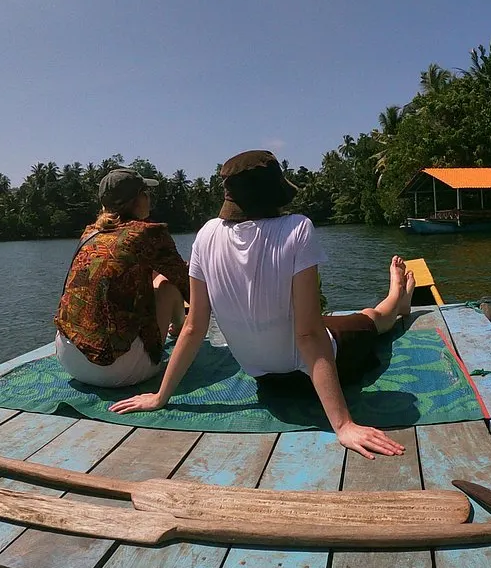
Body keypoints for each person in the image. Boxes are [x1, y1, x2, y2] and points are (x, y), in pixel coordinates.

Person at [111, 150, 414, 459]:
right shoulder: (297, 229)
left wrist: (161, 396)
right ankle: (397, 300)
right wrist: (343, 424)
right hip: (306, 371)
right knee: (371, 318)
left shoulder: (205, 235)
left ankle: (397, 297)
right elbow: (309, 335)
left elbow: (193, 327)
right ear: (273, 193)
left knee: (325, 321)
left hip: (263, 378)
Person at [53, 167, 190, 388]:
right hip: (117, 369)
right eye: (146, 192)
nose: (149, 198)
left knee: (152, 274)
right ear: (137, 200)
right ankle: (181, 328)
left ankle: (176, 325)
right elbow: (187, 285)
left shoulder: (90, 233)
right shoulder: (148, 233)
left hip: (68, 358)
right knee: (167, 285)